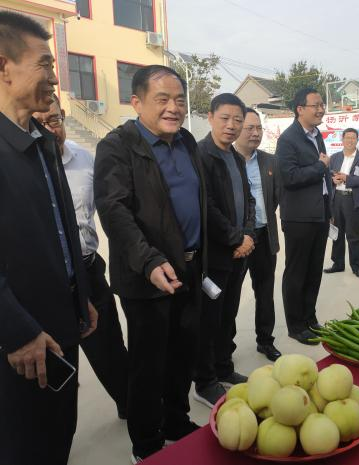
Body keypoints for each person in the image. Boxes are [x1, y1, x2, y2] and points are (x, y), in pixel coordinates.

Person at [94, 65, 208, 462]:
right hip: (148, 275)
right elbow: (114, 209)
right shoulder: (118, 145)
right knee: (148, 364)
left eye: (179, 100)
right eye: (162, 99)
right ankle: (146, 444)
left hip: (189, 269)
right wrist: (148, 259)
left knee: (182, 355)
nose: (173, 108)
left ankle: (176, 422)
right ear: (137, 102)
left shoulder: (186, 140)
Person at [0, 11, 97, 465]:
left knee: (59, 433)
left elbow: (61, 228)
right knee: (24, 445)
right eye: (44, 64)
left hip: (61, 326)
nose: (55, 79)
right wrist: (18, 333)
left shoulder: (41, 140)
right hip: (19, 342)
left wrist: (80, 295)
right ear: (4, 67)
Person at [33, 95, 129, 420]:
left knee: (110, 348)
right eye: (40, 123)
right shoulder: (22, 169)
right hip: (47, 282)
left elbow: (108, 209)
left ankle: (132, 408)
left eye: (54, 120)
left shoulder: (85, 160)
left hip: (88, 271)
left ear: (63, 116)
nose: (50, 129)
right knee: (56, 360)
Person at [193, 93, 254, 407]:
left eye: (237, 120)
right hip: (215, 256)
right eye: (225, 118)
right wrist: (235, 238)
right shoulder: (201, 155)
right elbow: (206, 206)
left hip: (238, 253)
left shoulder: (236, 157)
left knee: (228, 315)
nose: (231, 125)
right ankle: (204, 382)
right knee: (209, 320)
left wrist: (248, 235)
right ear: (210, 117)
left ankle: (224, 368)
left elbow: (249, 200)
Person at [276, 88, 332, 345]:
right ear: (300, 109)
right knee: (297, 272)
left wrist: (329, 210)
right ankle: (296, 325)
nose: (321, 109)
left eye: (322, 105)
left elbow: (323, 175)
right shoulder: (288, 139)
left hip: (320, 213)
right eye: (316, 105)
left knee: (313, 271)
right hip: (299, 217)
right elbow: (289, 177)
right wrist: (320, 166)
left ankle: (310, 318)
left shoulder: (316, 135)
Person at [234, 107, 282, 362]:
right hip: (237, 241)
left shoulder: (270, 161)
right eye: (249, 128)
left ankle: (265, 341)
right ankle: (224, 348)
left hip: (264, 235)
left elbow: (275, 198)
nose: (255, 133)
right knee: (231, 295)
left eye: (259, 128)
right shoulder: (227, 159)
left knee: (264, 292)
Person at [324, 128, 359, 278]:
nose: (350, 140)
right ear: (342, 139)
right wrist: (332, 179)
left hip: (353, 200)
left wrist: (347, 178)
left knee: (353, 235)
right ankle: (338, 264)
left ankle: (356, 266)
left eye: (353, 138)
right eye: (347, 137)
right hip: (337, 199)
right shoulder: (334, 157)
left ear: (357, 140)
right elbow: (326, 176)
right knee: (337, 233)